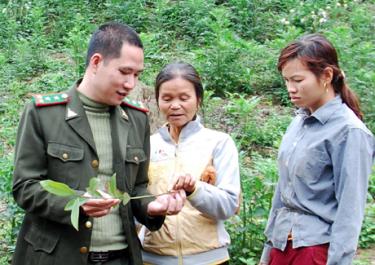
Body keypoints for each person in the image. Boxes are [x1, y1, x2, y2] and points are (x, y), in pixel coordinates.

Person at [12, 22, 186, 265]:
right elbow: (25, 186)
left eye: (137, 75)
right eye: (124, 72)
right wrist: (75, 202)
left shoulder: (136, 118)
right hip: (58, 257)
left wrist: (153, 206)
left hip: (121, 257)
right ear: (96, 62)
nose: (131, 84)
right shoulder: (44, 114)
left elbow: (137, 187)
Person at [259, 33, 375, 265]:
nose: (290, 88)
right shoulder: (298, 122)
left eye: (298, 80)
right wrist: (267, 252)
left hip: (315, 250)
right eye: (286, 80)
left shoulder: (349, 131)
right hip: (281, 247)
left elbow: (349, 211)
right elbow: (282, 193)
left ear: (327, 76)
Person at [138, 61, 241, 265]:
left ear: (198, 99)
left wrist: (195, 190)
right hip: (153, 259)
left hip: (210, 260)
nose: (175, 105)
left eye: (184, 98)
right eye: (167, 98)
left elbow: (229, 205)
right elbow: (137, 201)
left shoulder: (219, 143)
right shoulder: (146, 145)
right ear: (157, 100)